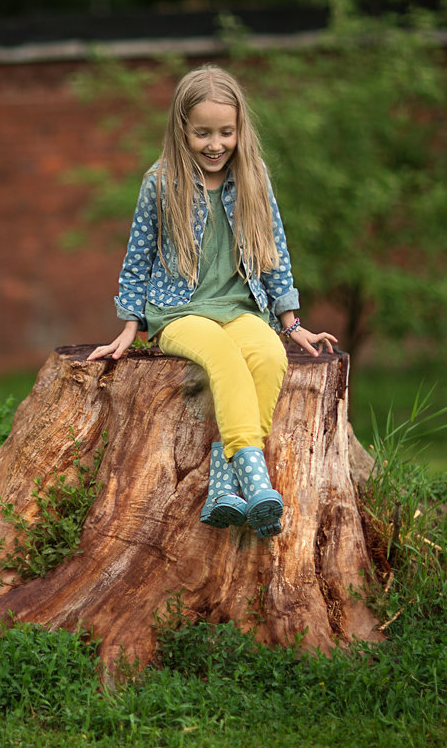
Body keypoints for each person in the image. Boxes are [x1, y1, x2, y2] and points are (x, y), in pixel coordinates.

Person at [88, 65, 336, 539]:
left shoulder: (254, 177)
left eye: (226, 132)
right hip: (179, 312)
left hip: (241, 308)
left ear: (241, 130)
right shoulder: (161, 183)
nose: (215, 144)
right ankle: (255, 478)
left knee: (265, 355)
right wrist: (129, 324)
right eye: (202, 133)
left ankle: (225, 487)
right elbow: (137, 258)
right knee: (223, 358)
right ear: (182, 129)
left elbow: (274, 251)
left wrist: (289, 320)